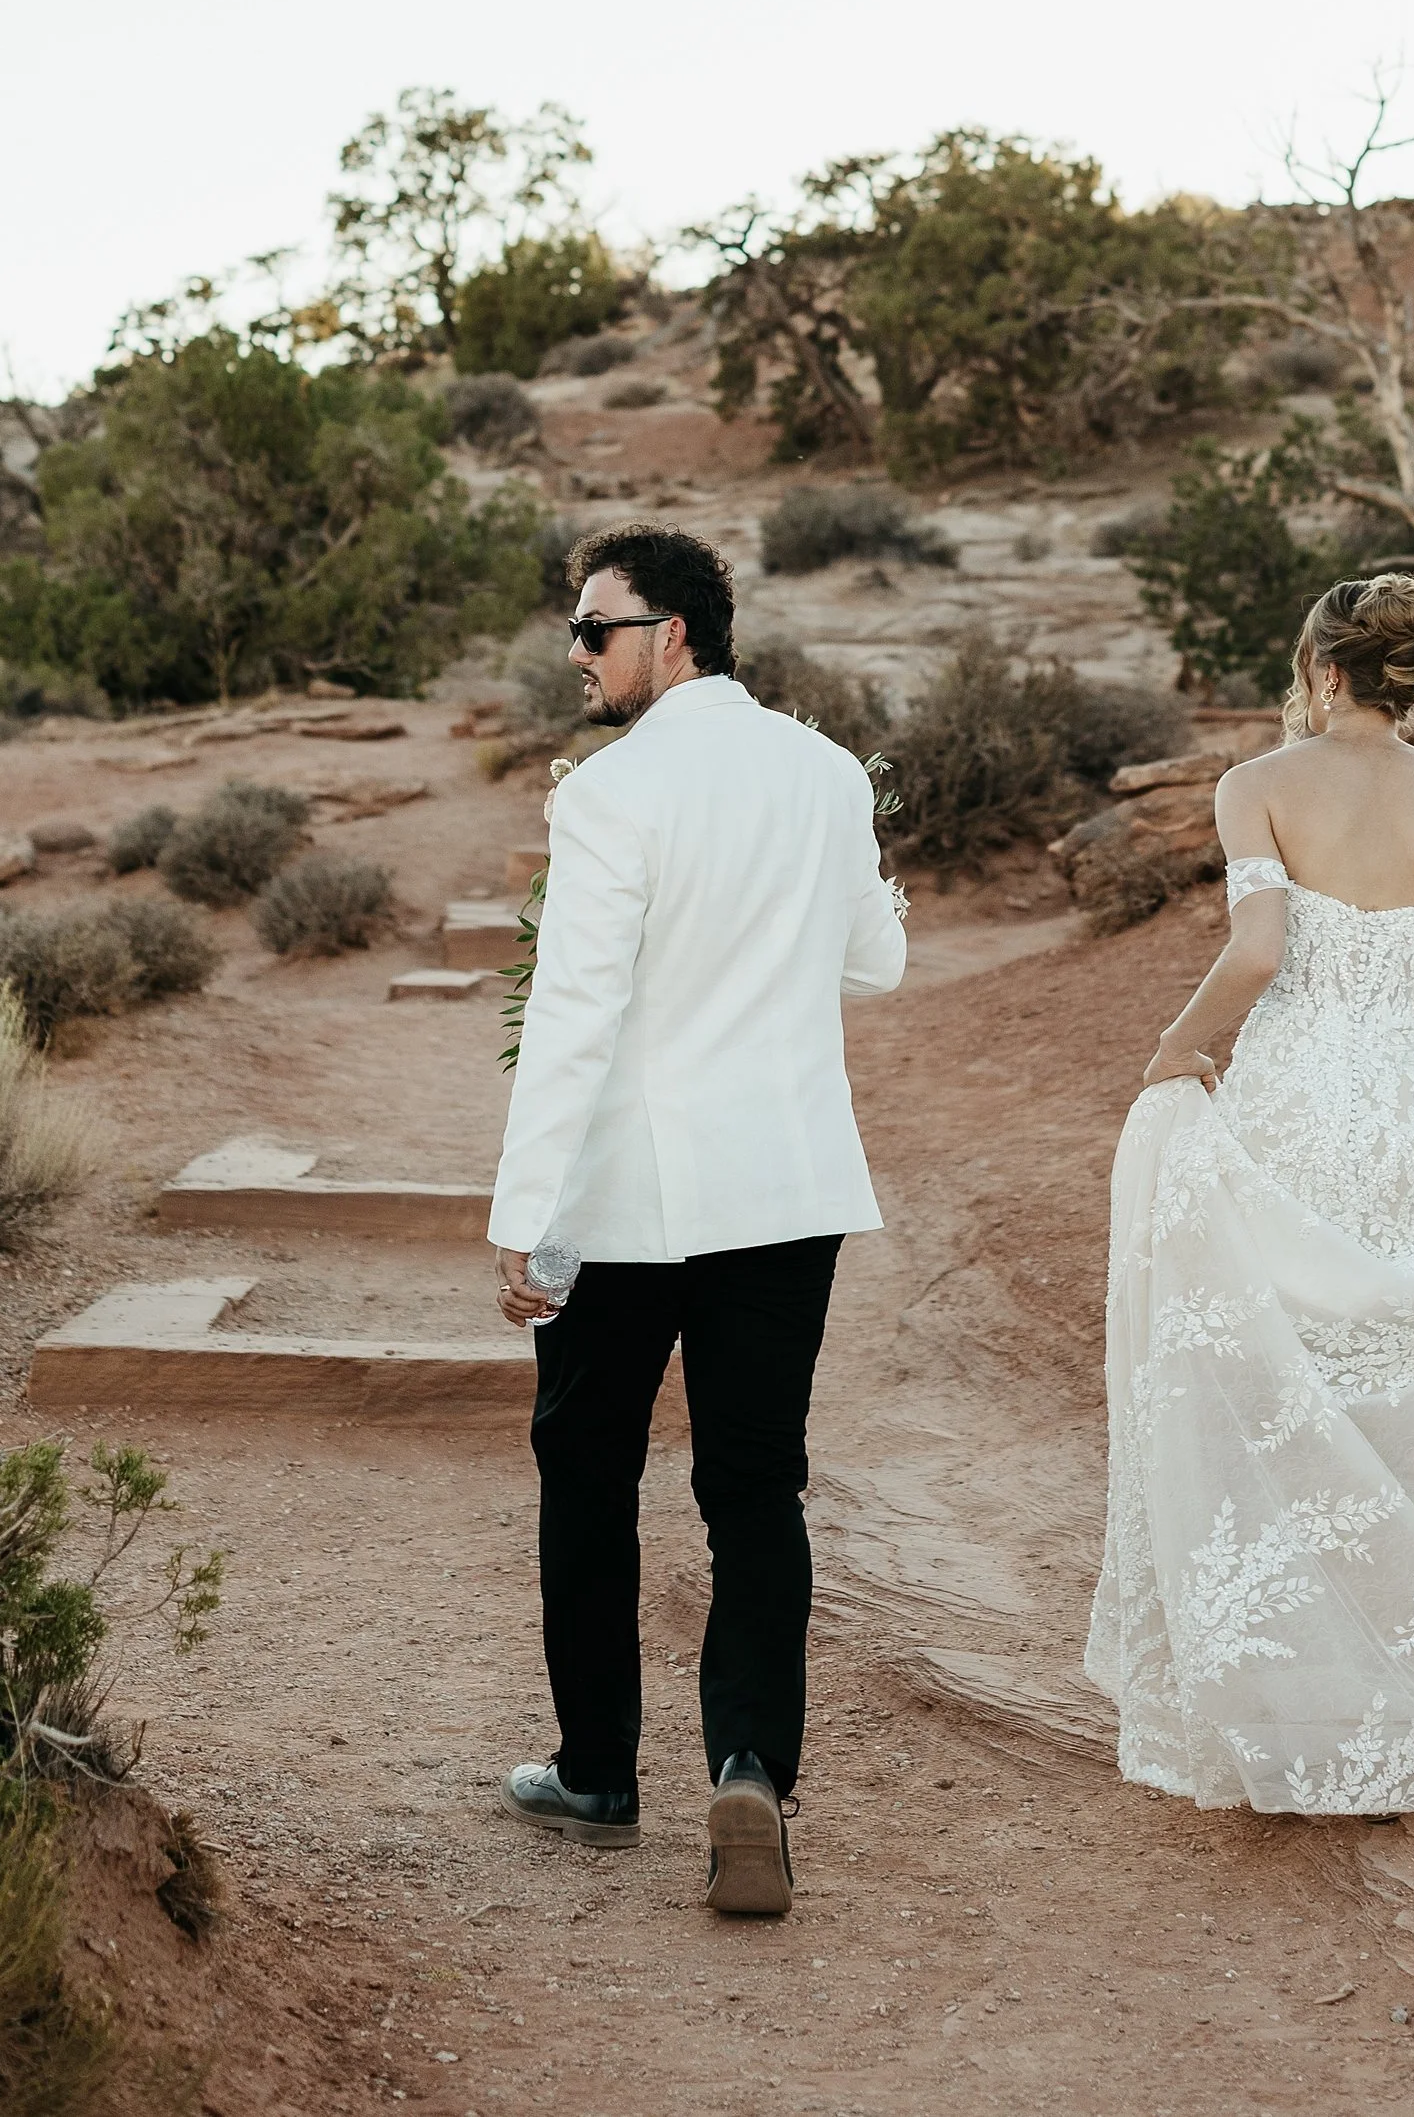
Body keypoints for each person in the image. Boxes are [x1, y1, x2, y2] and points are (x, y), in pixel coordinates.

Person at [1086, 574, 1414, 1818]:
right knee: (1407, 1380)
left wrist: (1177, 1046)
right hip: (1408, 1101)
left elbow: (1258, 951)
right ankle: (1404, 1672)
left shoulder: (1259, 783)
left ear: (1321, 669)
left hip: (1294, 1097)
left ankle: (1280, 1689)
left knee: (1276, 1372)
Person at [488, 523, 906, 1915]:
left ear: (675, 633)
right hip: (784, 1189)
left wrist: (528, 1215)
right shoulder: (828, 771)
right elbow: (877, 959)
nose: (577, 653)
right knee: (754, 1484)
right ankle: (747, 1765)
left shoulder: (612, 795)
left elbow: (574, 1017)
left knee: (590, 1469)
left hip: (627, 1194)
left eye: (594, 629)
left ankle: (600, 1771)